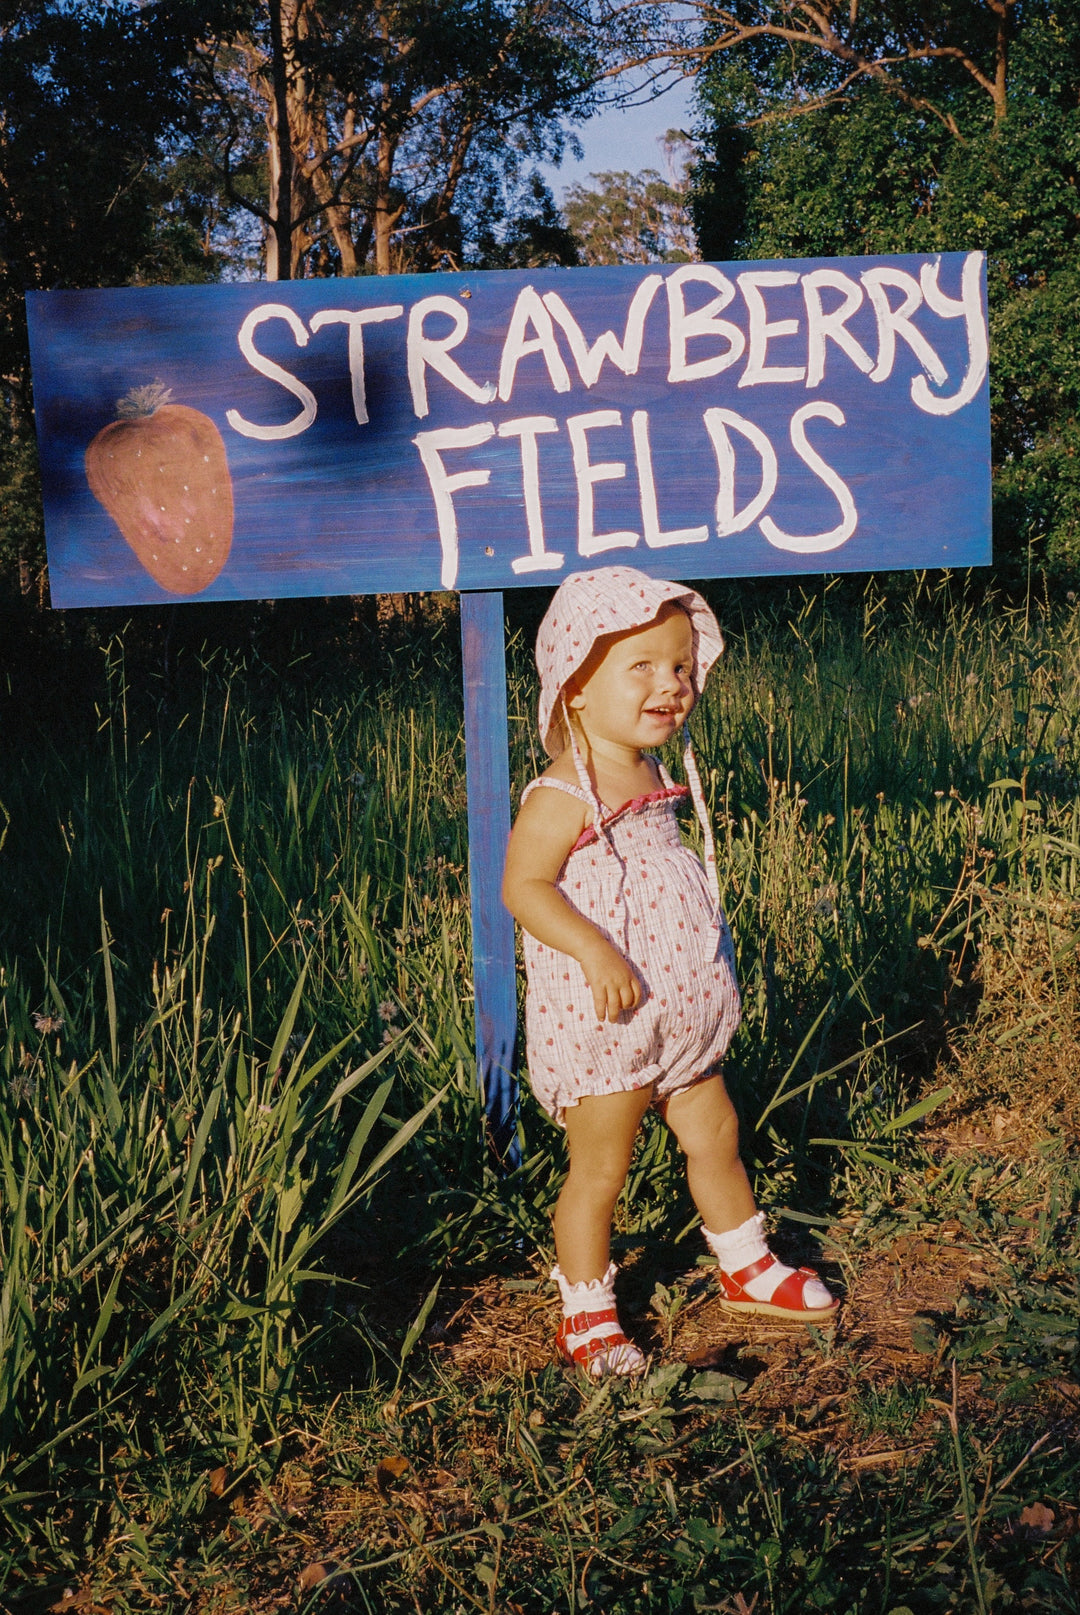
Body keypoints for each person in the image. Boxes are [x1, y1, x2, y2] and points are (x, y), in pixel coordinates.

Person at [502, 566, 838, 1376]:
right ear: (575, 687)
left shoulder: (652, 772)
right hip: (611, 1020)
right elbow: (523, 884)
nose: (673, 684)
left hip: (680, 1014)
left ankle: (745, 1260)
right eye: (643, 666)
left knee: (715, 1131)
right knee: (602, 1168)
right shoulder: (561, 790)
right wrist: (592, 946)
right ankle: (586, 1310)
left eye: (682, 666)